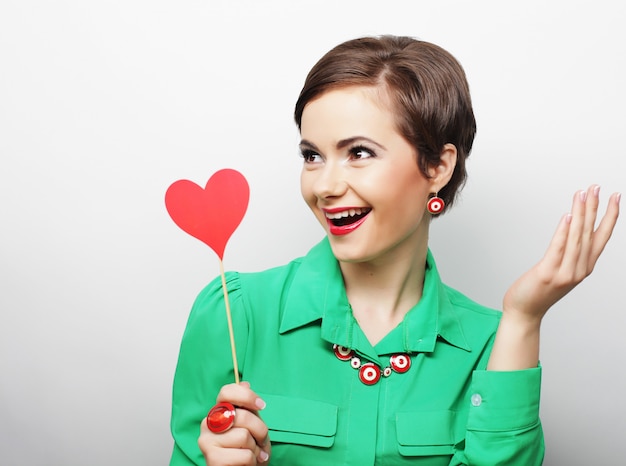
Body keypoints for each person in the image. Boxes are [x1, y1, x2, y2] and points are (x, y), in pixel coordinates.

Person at [169, 35, 620, 465]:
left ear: (438, 167)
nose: (324, 185)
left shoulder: (492, 344)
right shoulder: (235, 313)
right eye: (312, 155)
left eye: (359, 152)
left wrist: (523, 319)